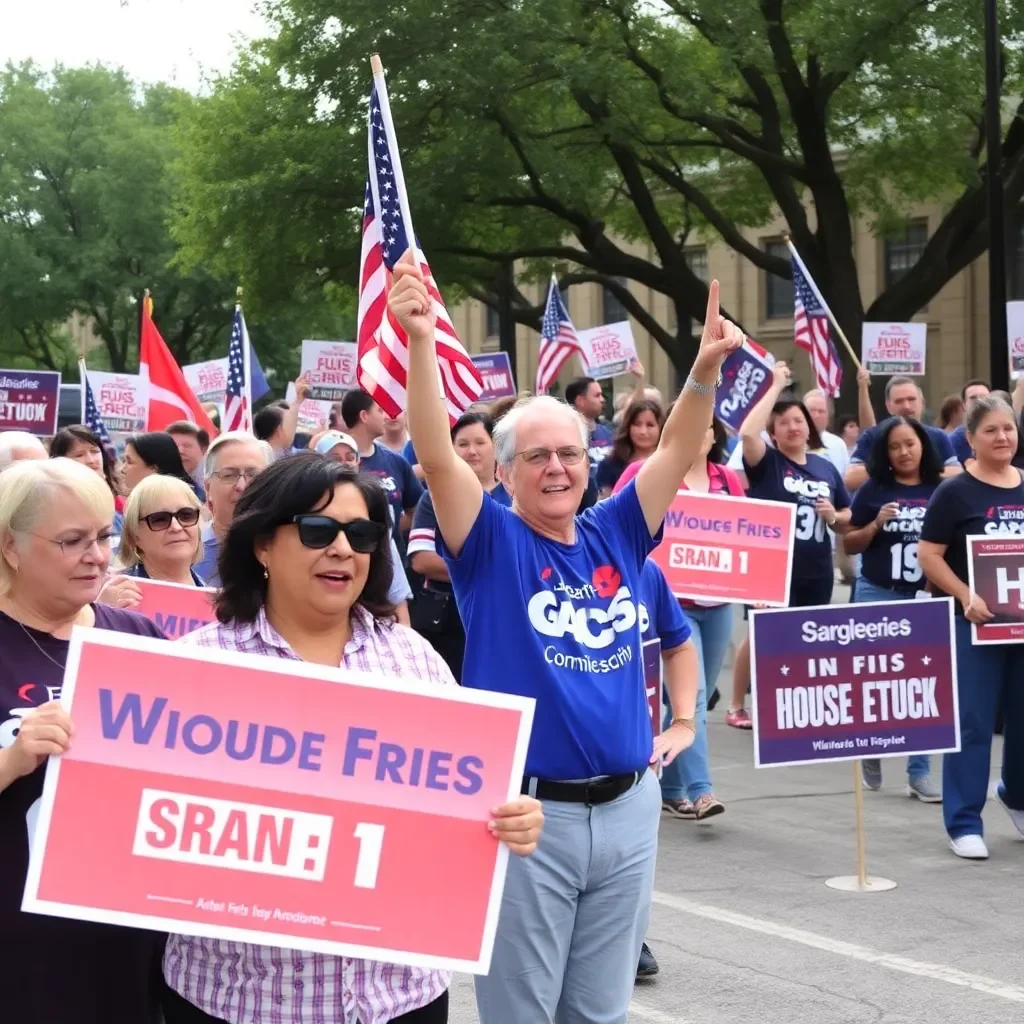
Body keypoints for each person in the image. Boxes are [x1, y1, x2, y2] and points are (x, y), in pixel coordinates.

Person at [397, 243, 742, 1024]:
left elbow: (679, 446)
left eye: (569, 454)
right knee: (523, 1014)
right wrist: (421, 341)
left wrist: (704, 372)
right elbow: (434, 455)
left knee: (600, 1012)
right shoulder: (489, 544)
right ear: (507, 472)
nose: (556, 467)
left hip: (628, 811)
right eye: (537, 456)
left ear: (590, 464)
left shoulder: (617, 532)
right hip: (528, 820)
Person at [161, 453, 543, 1024]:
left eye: (361, 534)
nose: (342, 549)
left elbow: (464, 803)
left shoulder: (415, 663)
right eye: (317, 530)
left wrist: (508, 818)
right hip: (242, 999)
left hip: (401, 998)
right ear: (263, 545)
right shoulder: (195, 668)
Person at [0, 458, 167, 1023]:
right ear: (11, 547)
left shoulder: (140, 637)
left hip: (127, 932)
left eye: (102, 536)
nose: (97, 556)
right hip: (19, 944)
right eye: (72, 541)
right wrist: (14, 757)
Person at [918, 395, 1024, 860]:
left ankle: (1017, 796)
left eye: (1009, 429)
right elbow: (929, 555)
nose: (1003, 438)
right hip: (974, 627)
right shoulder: (956, 492)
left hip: (1021, 627)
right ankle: (963, 820)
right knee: (974, 723)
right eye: (991, 431)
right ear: (971, 438)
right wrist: (965, 595)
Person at [727, 362, 852, 729]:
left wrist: (834, 516)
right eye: (783, 423)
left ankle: (795, 703)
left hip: (816, 567)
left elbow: (847, 513)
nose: (793, 427)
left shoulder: (825, 467)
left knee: (806, 637)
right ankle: (739, 704)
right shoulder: (767, 463)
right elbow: (747, 433)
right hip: (772, 568)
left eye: (798, 420)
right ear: (774, 433)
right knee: (764, 635)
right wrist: (776, 384)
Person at [635, 419, 741, 819]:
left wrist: (760, 589)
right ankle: (701, 791)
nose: (700, 432)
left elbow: (748, 534)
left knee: (691, 701)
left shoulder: (727, 478)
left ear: (714, 436)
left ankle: (670, 785)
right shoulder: (652, 473)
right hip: (673, 604)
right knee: (693, 698)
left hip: (719, 605)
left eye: (707, 426)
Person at [844, 417, 943, 801]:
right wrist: (875, 526)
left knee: (923, 682)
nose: (904, 452)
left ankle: (919, 771)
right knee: (875, 677)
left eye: (910, 444)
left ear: (923, 446)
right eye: (895, 446)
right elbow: (850, 543)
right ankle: (871, 746)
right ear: (885, 453)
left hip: (924, 596)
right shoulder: (873, 490)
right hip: (877, 591)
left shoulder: (941, 489)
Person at [408, 412, 512, 680]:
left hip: (506, 619)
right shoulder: (433, 499)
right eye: (463, 444)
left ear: (496, 446)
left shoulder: (517, 495)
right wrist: (492, 567)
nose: (472, 451)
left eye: (480, 442)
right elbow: (422, 560)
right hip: (446, 623)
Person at [634, 557, 699, 980]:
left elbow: (678, 645)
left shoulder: (645, 570)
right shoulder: (508, 551)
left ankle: (629, 935)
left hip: (634, 769)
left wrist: (683, 723)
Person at [313, 429, 414, 624]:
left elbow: (394, 584)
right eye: (334, 457)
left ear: (358, 462)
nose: (344, 462)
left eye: (350, 457)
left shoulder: (375, 511)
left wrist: (405, 630)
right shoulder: (302, 506)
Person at [845, 376, 959, 491]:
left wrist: (917, 471)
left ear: (922, 402)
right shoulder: (872, 436)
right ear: (888, 406)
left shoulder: (937, 436)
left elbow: (957, 473)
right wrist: (897, 470)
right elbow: (851, 479)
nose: (906, 406)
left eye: (911, 399)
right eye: (899, 401)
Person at [194, 431, 274, 586]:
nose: (242, 486)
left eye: (253, 475)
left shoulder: (284, 552)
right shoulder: (187, 555)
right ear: (208, 488)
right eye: (229, 475)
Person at [340, 389, 423, 534]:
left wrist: (386, 531)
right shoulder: (332, 462)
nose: (385, 416)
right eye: (380, 410)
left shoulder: (397, 462)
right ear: (364, 416)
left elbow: (418, 511)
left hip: (389, 556)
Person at [115, 475, 206, 586]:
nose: (176, 527)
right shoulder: (115, 597)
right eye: (160, 519)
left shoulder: (216, 597)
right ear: (135, 535)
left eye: (186, 515)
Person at [49, 425, 124, 528]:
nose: (91, 460)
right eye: (79, 455)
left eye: (95, 452)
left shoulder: (120, 501)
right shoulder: (54, 504)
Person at [596, 398, 664, 497]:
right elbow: (606, 505)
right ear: (627, 427)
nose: (643, 431)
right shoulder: (610, 464)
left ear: (661, 427)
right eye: (637, 424)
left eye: (650, 425)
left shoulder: (673, 464)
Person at [120, 431, 195, 495]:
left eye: (129, 462)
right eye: (123, 461)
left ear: (154, 469)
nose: (122, 469)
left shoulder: (172, 505)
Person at [252, 374, 311, 454]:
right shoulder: (265, 459)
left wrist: (298, 399)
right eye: (291, 422)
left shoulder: (286, 454)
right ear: (279, 430)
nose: (295, 427)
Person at [803, 389, 850, 476]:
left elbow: (845, 478)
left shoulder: (838, 444)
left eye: (821, 411)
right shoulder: (793, 442)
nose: (817, 415)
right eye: (812, 410)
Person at [946, 379, 991, 464]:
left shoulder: (1003, 434)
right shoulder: (955, 440)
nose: (979, 401)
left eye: (984, 397)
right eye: (973, 398)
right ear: (964, 405)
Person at [166, 421, 210, 499]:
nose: (180, 451)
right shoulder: (157, 479)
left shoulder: (213, 479)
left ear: (203, 449)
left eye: (187, 446)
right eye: (173, 445)